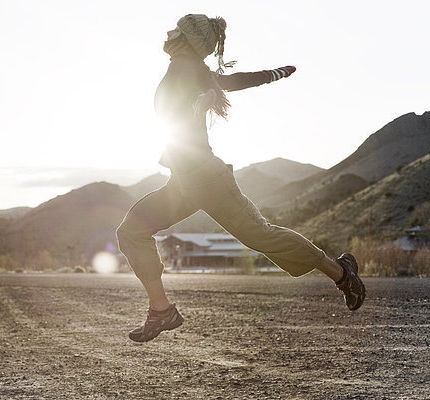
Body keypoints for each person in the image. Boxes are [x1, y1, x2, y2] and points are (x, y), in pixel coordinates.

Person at [116, 14, 365, 343]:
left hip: (207, 179)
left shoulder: (188, 68)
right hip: (183, 183)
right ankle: (162, 311)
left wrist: (200, 103)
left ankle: (343, 273)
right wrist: (269, 75)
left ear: (188, 39)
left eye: (176, 28)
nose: (168, 31)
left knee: (262, 237)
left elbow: (208, 94)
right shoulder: (186, 67)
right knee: (132, 231)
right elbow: (229, 84)